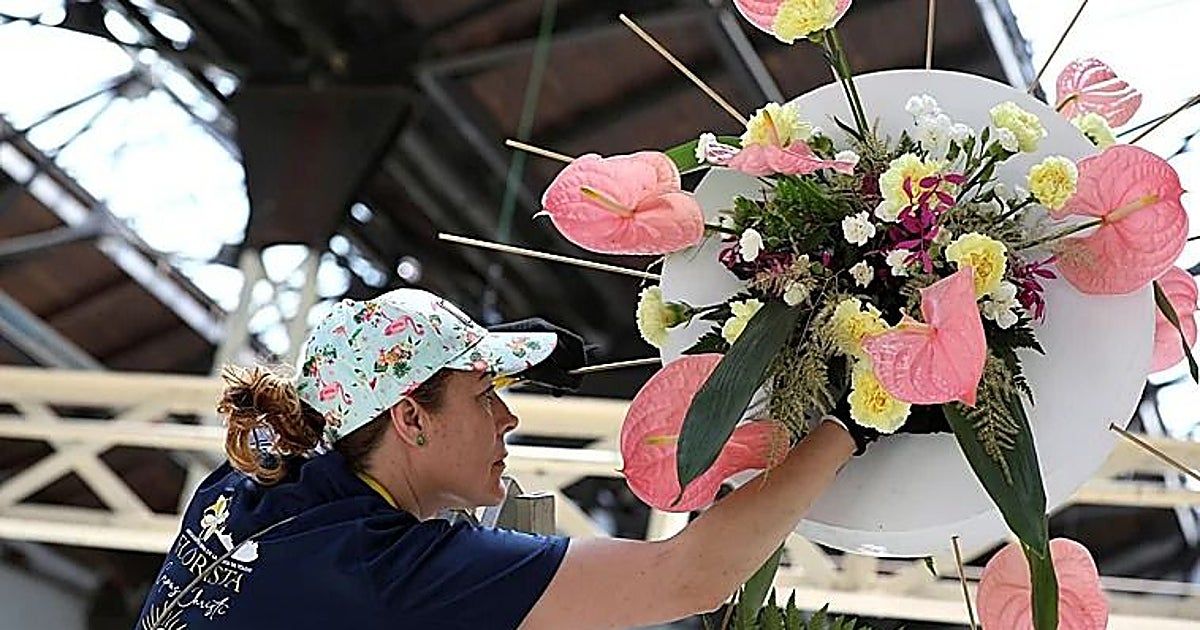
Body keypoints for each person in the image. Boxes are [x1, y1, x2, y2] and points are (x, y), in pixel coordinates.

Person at [134, 288, 879, 630]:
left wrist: (481, 360)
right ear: (410, 419)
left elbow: (332, 393)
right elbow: (690, 578)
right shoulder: (391, 575)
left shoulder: (249, 482)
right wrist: (849, 423)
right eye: (486, 394)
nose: (509, 416)